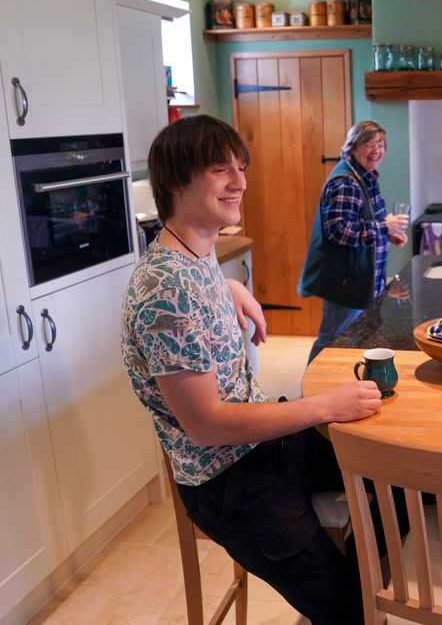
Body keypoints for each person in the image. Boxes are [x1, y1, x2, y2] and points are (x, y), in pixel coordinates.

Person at [121, 115, 382, 624]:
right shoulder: (165, 290)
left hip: (266, 449)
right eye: (222, 170)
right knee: (352, 610)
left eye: (240, 167)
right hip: (232, 483)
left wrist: (230, 288)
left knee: (395, 478)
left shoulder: (193, 258)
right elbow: (208, 424)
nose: (240, 182)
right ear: (177, 182)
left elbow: (199, 292)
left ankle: (363, 573)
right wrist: (322, 407)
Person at [302, 120, 408, 364]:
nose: (377, 150)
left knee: (355, 338)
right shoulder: (346, 182)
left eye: (381, 145)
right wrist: (384, 226)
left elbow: (361, 223)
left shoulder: (365, 176)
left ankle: (339, 388)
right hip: (346, 282)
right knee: (332, 340)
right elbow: (339, 230)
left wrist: (387, 234)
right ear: (353, 147)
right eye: (369, 144)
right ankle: (311, 392)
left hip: (361, 279)